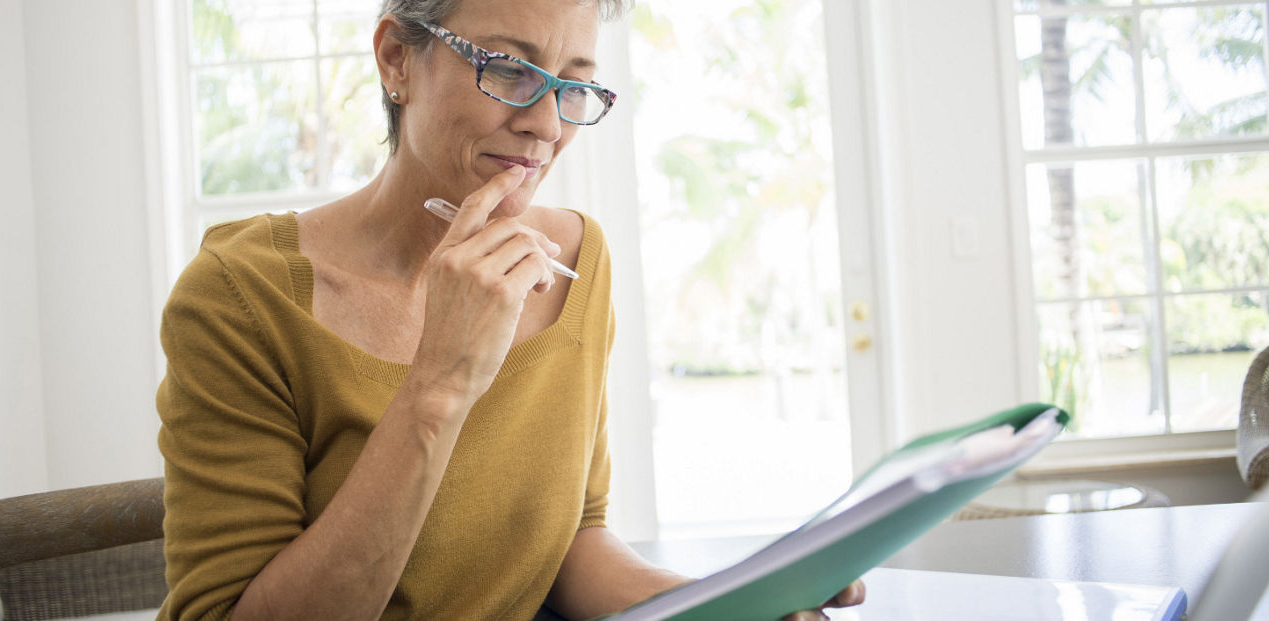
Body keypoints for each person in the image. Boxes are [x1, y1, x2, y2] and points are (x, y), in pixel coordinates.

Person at [155, 0, 865, 619]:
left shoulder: (577, 263)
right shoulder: (241, 298)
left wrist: (723, 604)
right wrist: (439, 384)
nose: (546, 127)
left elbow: (572, 542)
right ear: (397, 59)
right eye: (509, 70)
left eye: (574, 87)